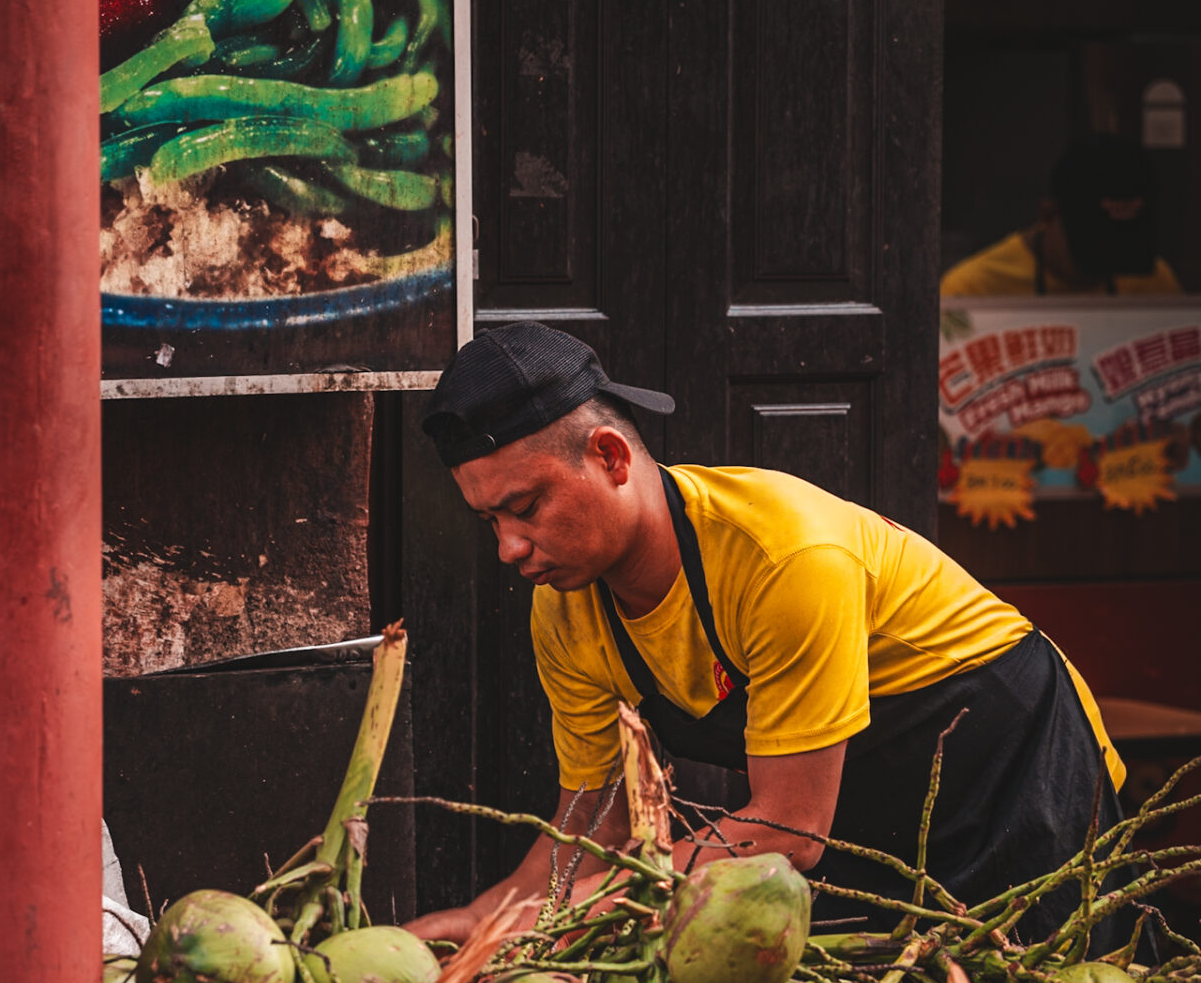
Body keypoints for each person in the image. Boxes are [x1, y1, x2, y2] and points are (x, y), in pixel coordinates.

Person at [406, 324, 1125, 947]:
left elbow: (788, 826)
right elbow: (598, 817)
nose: (509, 549)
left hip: (1004, 757)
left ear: (611, 457)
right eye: (489, 522)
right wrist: (488, 917)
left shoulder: (782, 554)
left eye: (525, 507)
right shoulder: (565, 612)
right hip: (862, 790)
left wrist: (585, 907)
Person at [941, 134, 1181, 298]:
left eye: (1125, 250)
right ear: (1048, 215)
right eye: (1092, 248)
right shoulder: (973, 290)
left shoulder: (1155, 282)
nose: (1108, 263)